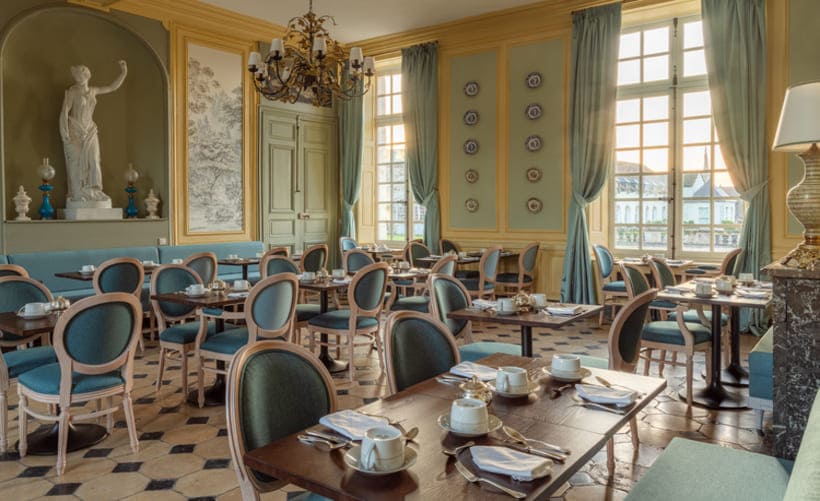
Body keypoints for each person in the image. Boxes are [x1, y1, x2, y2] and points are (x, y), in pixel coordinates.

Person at [59, 60, 127, 203]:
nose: (78, 78)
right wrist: (64, 131)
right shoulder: (72, 91)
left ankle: (95, 190)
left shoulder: (94, 91)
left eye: (80, 75)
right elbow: (64, 111)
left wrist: (123, 72)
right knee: (77, 161)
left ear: (87, 76)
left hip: (90, 130)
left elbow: (112, 87)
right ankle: (78, 192)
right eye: (76, 75)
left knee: (94, 160)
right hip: (75, 130)